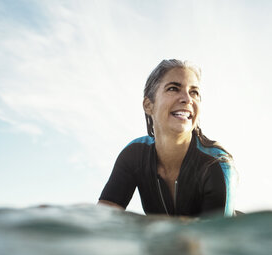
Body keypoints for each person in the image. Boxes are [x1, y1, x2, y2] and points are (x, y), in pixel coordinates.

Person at [98, 59, 237, 217]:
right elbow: (103, 218)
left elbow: (214, 237)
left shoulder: (216, 163)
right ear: (149, 105)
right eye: (173, 88)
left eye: (194, 92)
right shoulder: (134, 155)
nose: (187, 99)